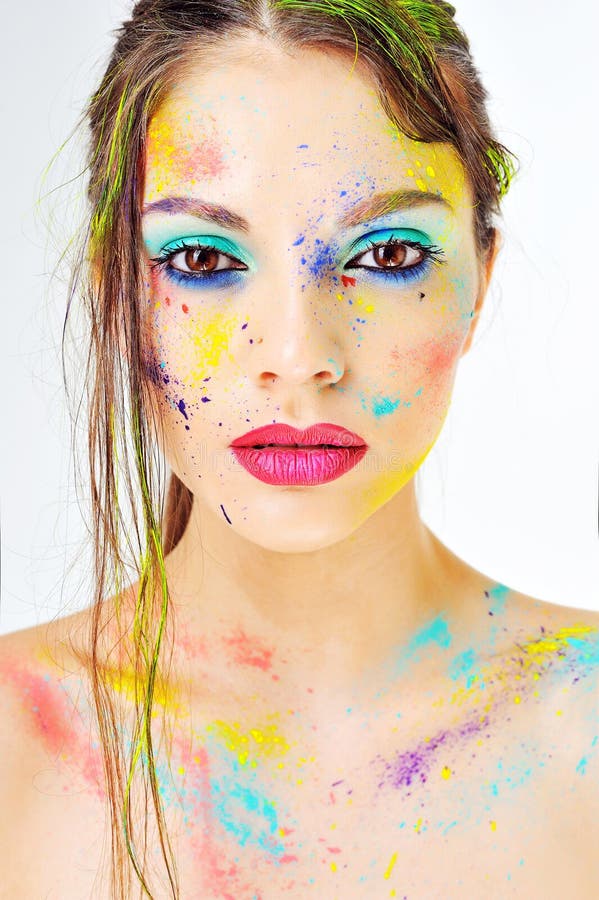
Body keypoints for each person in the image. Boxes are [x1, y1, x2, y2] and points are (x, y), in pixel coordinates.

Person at [1, 1, 598, 897]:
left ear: (478, 284)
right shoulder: (17, 740)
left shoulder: (579, 728)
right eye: (202, 261)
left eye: (388, 253)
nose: (297, 357)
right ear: (117, 296)